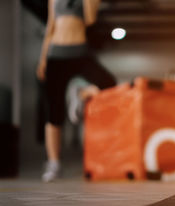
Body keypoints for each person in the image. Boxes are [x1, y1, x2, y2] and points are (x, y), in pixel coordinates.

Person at [37, 0, 116, 182]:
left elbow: (90, 20)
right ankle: (54, 163)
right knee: (54, 111)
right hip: (55, 54)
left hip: (79, 52)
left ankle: (81, 94)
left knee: (108, 82)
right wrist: (42, 59)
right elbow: (51, 27)